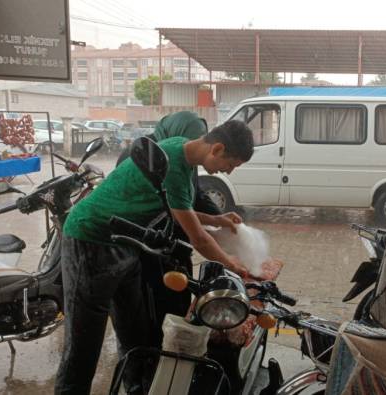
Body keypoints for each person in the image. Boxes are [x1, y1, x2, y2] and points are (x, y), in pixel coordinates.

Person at [55, 120, 255, 394]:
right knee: (84, 344)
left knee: (135, 335)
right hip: (89, 241)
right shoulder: (174, 161)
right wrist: (231, 263)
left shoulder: (181, 155)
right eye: (231, 164)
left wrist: (217, 219)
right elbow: (198, 238)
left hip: (126, 243)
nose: (228, 171)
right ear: (217, 148)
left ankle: (137, 388)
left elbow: (178, 209)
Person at [116, 112, 222, 350]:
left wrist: (219, 219)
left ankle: (171, 356)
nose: (195, 144)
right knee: (146, 314)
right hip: (146, 251)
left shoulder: (186, 154)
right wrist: (227, 257)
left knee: (176, 304)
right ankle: (144, 368)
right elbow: (156, 208)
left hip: (174, 248)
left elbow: (194, 194)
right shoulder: (143, 154)